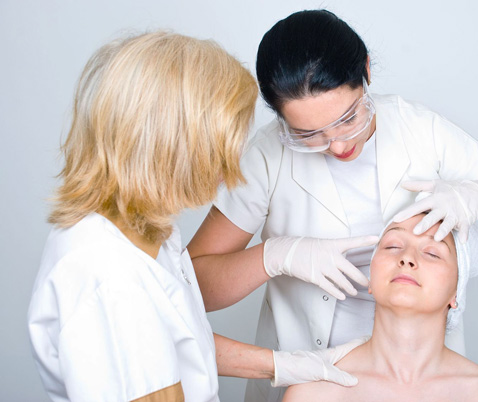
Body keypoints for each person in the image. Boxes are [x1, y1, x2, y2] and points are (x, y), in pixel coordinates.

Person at [187, 9, 478, 401]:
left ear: (366, 71)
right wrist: (274, 256)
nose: (338, 145)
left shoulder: (420, 131)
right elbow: (190, 287)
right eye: (308, 134)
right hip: (305, 376)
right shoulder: (266, 157)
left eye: (348, 118)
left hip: (425, 378)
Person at [27, 31, 365, 402]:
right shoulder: (109, 274)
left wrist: (282, 365)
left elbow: (180, 340)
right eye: (222, 143)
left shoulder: (140, 231)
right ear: (172, 145)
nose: (232, 161)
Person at [283, 215, 478, 401]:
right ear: (371, 279)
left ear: (456, 294)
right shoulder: (313, 393)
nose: (407, 258)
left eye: (432, 253)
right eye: (392, 246)